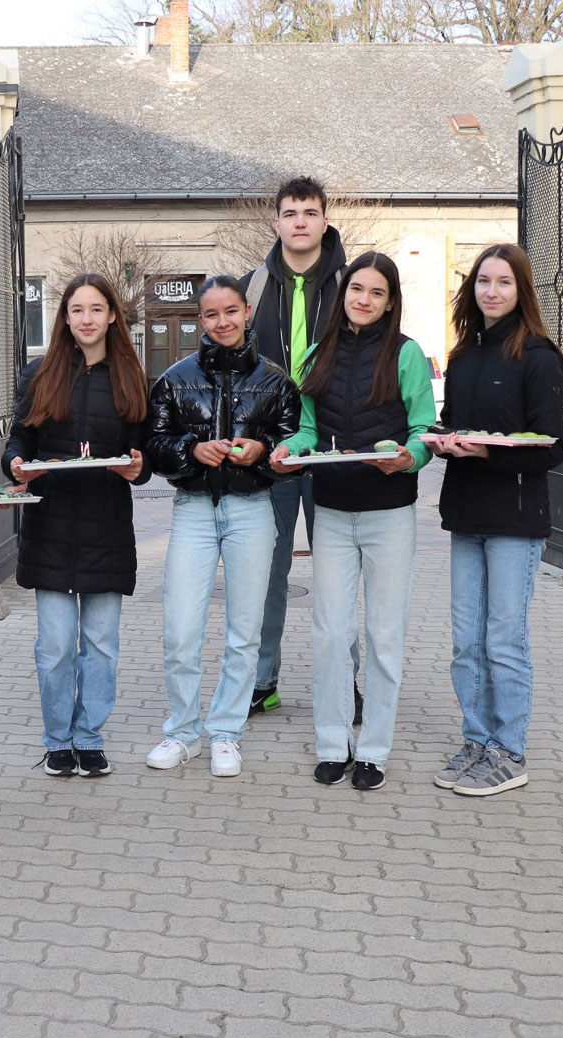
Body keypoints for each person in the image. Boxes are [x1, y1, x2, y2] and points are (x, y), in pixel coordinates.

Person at [270, 252, 435, 791]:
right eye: (357, 289)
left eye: (377, 293)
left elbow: (424, 429)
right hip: (333, 512)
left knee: (384, 635)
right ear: (344, 295)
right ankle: (332, 744)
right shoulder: (317, 354)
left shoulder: (407, 354)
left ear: (390, 302)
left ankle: (374, 751)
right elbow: (309, 429)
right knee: (330, 633)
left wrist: (409, 457)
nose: (364, 300)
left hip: (390, 514)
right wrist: (290, 450)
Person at [145, 276, 299, 778]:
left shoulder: (276, 381)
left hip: (252, 508)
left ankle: (227, 732)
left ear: (247, 311)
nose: (223, 322)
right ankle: (183, 730)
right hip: (193, 508)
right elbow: (155, 445)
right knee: (180, 629)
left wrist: (262, 452)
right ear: (200, 320)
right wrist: (191, 450)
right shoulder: (174, 379)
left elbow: (292, 444)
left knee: (244, 631)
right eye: (211, 314)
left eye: (231, 311)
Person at [429, 243, 563, 797]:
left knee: (503, 641)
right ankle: (477, 742)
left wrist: (488, 452)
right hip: (466, 513)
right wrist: (442, 440)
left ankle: (509, 752)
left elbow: (553, 446)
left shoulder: (538, 357)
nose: (492, 291)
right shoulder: (463, 355)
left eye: (504, 282)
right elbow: (453, 420)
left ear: (521, 290)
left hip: (515, 517)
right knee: (466, 642)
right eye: (483, 281)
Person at [4, 274, 152, 779]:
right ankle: (57, 741)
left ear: (111, 316)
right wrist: (16, 464)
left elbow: (144, 453)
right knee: (55, 649)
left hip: (106, 527)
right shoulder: (40, 373)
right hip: (51, 526)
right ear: (64, 318)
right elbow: (19, 439)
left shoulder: (131, 377)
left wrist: (138, 468)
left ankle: (89, 738)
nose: (86, 319)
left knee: (102, 646)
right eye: (77, 310)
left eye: (96, 309)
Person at [239, 176, 358, 720]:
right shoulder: (253, 287)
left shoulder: (352, 284)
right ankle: (261, 682)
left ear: (325, 221)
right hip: (272, 454)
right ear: (278, 223)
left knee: (337, 576)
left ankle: (345, 683)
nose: (301, 222)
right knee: (268, 572)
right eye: (291, 213)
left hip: (334, 448)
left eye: (310, 212)